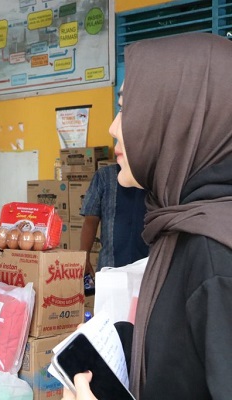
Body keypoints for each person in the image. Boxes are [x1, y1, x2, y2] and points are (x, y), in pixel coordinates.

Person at [63, 33, 232, 400]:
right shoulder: (180, 226)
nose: (113, 127)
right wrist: (124, 342)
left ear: (180, 121)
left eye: (128, 108)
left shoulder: (215, 256)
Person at [79, 163, 148, 277]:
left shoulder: (155, 178)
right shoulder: (104, 176)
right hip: (110, 268)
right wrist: (84, 256)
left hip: (147, 268)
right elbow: (90, 220)